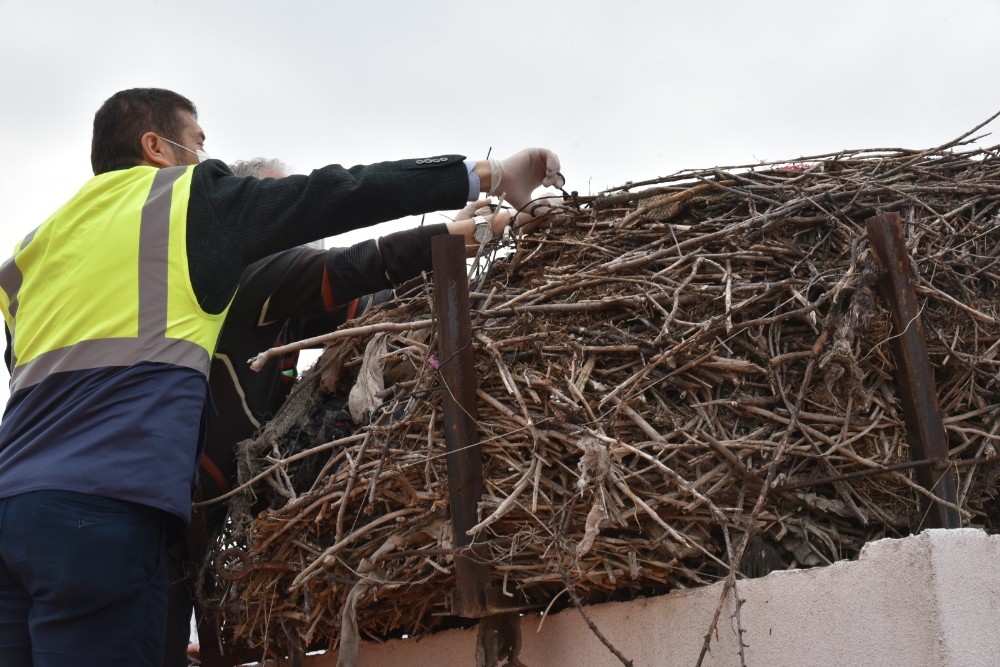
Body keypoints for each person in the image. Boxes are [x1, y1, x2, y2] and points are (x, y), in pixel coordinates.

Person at [0, 87, 562, 667]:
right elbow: (333, 200)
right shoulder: (183, 207)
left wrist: (473, 237)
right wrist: (486, 176)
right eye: (196, 143)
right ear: (156, 148)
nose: (202, 158)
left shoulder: (34, 252)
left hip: (12, 511)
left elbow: (358, 296)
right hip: (106, 514)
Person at [162, 158, 517, 667]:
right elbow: (356, 265)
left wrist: (466, 225)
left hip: (186, 522)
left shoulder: (289, 301)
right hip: (162, 513)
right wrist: (480, 231)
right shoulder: (248, 278)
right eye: (280, 203)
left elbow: (381, 296)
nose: (296, 219)